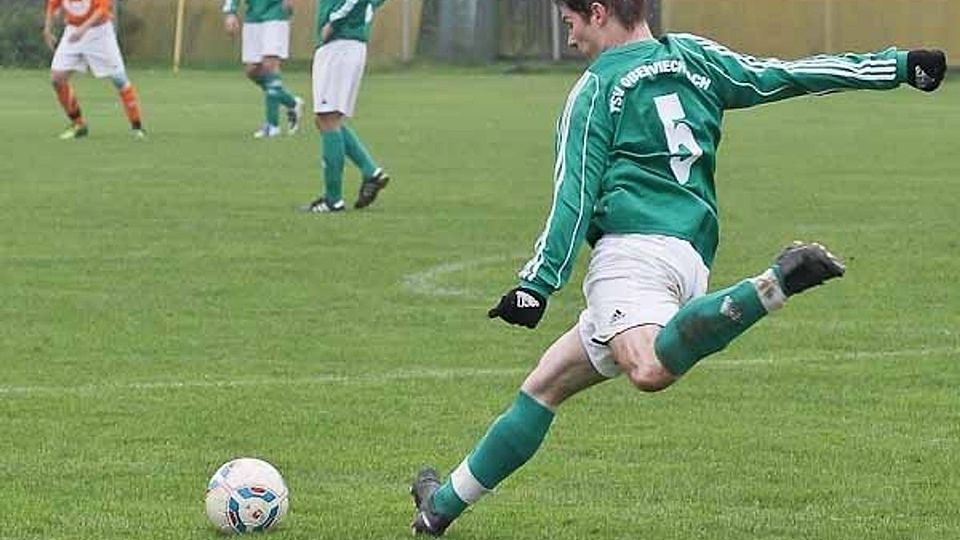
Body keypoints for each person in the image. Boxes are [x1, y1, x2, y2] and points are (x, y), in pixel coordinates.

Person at [408, 0, 947, 536]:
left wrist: (535, 285)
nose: (569, 39)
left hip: (631, 258)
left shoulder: (594, 90)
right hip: (688, 260)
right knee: (545, 385)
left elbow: (573, 197)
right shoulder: (695, 57)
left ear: (598, 12)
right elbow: (787, 74)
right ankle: (440, 507)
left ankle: (772, 284)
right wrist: (896, 65)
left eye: (569, 23)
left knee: (647, 369)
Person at [302, 0, 390, 213]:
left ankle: (333, 200)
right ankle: (372, 173)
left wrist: (334, 21)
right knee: (327, 120)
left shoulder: (339, 24)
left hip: (340, 42)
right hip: (348, 43)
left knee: (328, 120)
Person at [43, 0, 145, 140]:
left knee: (119, 78)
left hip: (100, 32)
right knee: (57, 79)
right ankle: (79, 125)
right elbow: (52, 5)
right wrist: (47, 30)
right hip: (73, 31)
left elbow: (103, 9)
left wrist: (84, 28)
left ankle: (137, 127)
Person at [223, 0, 304, 138]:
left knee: (270, 65)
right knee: (252, 71)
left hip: (276, 14)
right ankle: (292, 103)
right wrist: (231, 12)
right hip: (253, 17)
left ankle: (272, 125)